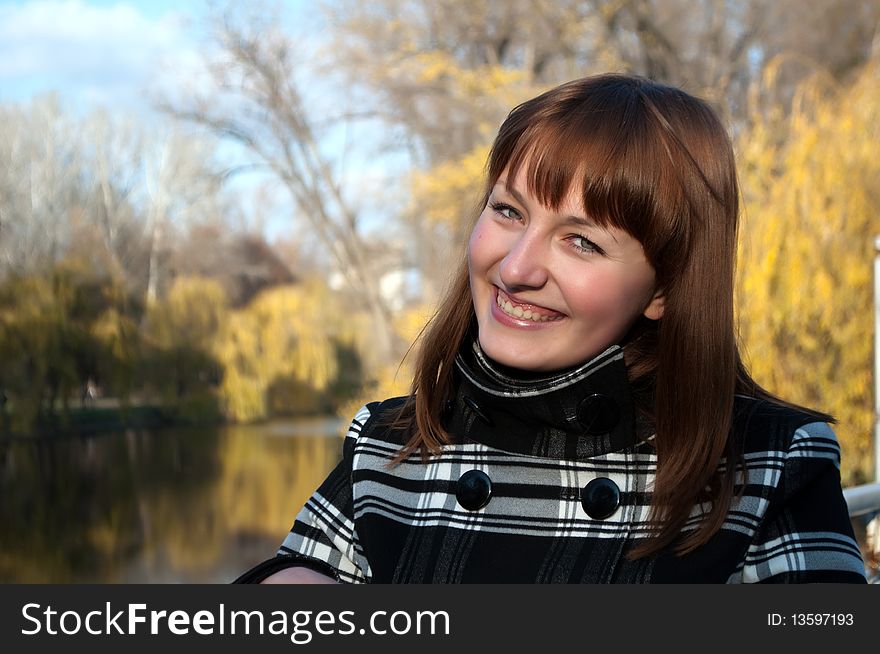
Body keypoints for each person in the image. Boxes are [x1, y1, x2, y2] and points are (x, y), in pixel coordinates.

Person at [235, 73, 866, 584]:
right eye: (508, 210)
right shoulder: (389, 446)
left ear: (667, 288)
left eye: (582, 242)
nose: (515, 268)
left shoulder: (768, 467)